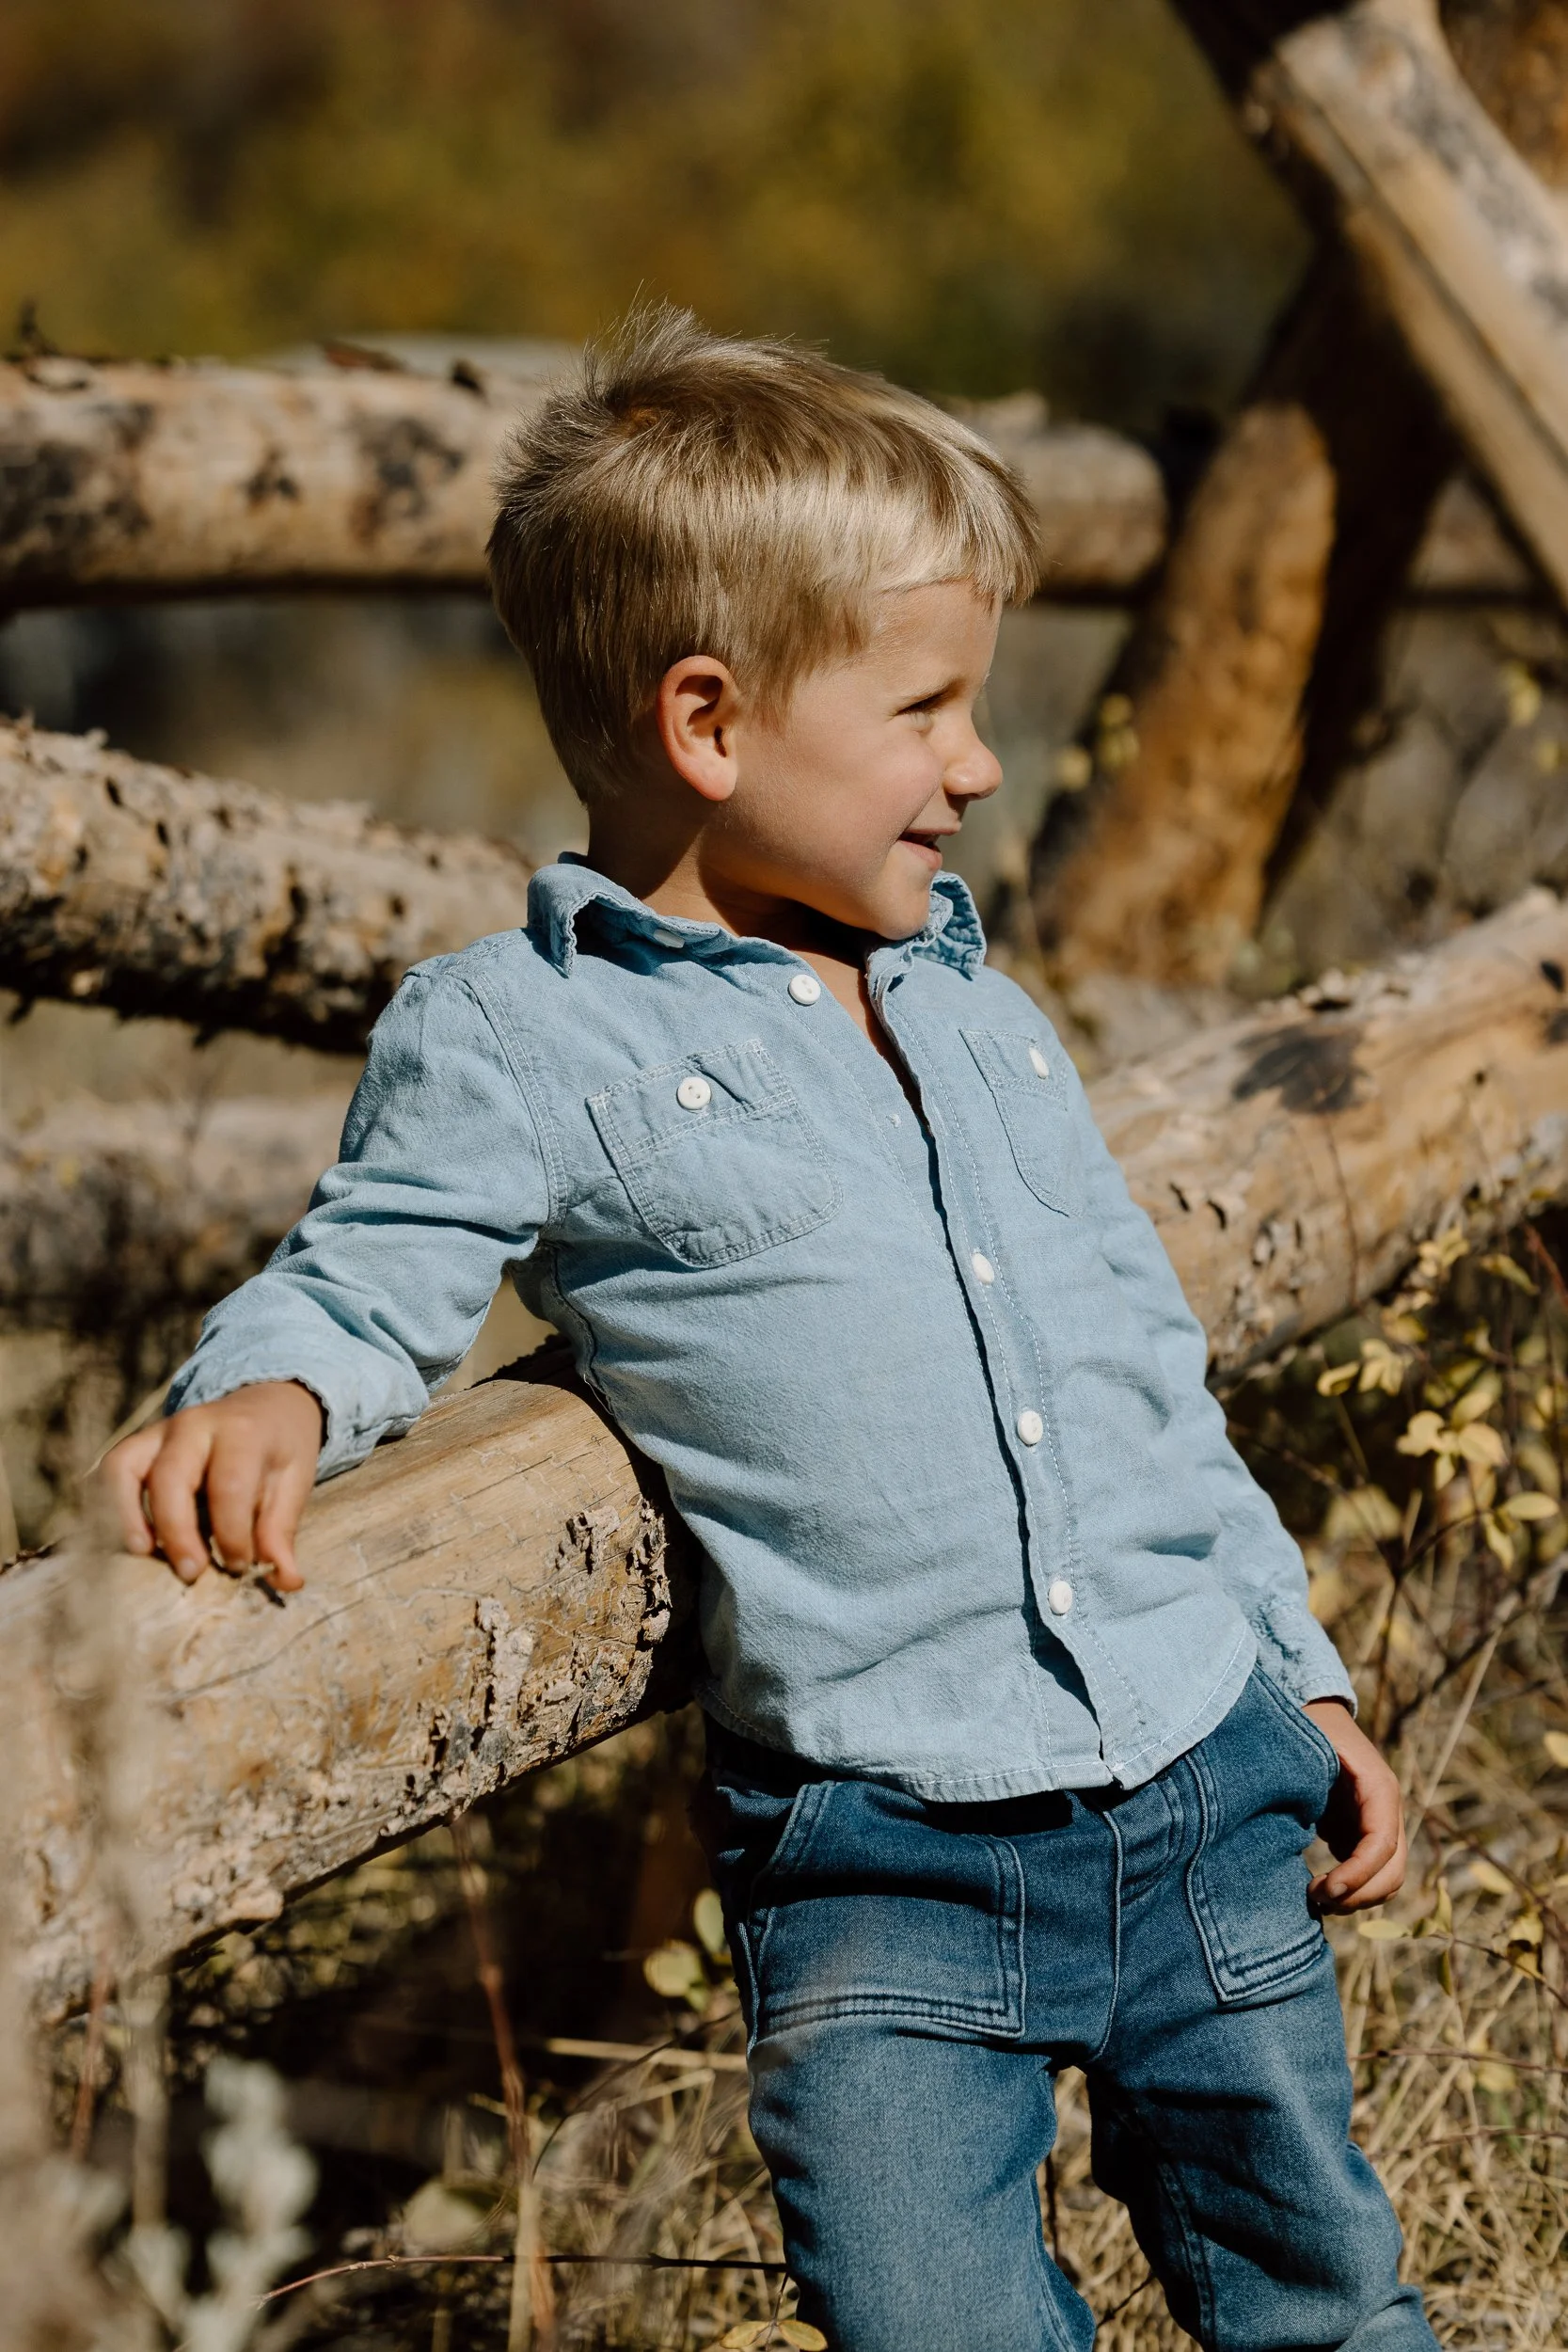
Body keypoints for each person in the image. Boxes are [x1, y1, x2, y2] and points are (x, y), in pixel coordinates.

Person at [101, 308, 1433, 2352]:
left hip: (1194, 1776)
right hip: (884, 1860)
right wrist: (270, 1379)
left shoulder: (978, 1014)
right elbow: (376, 1261)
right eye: (927, 708)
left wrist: (1299, 1674)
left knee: (1324, 2301)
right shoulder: (526, 1033)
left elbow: (1139, 1382)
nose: (976, 762)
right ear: (707, 724)